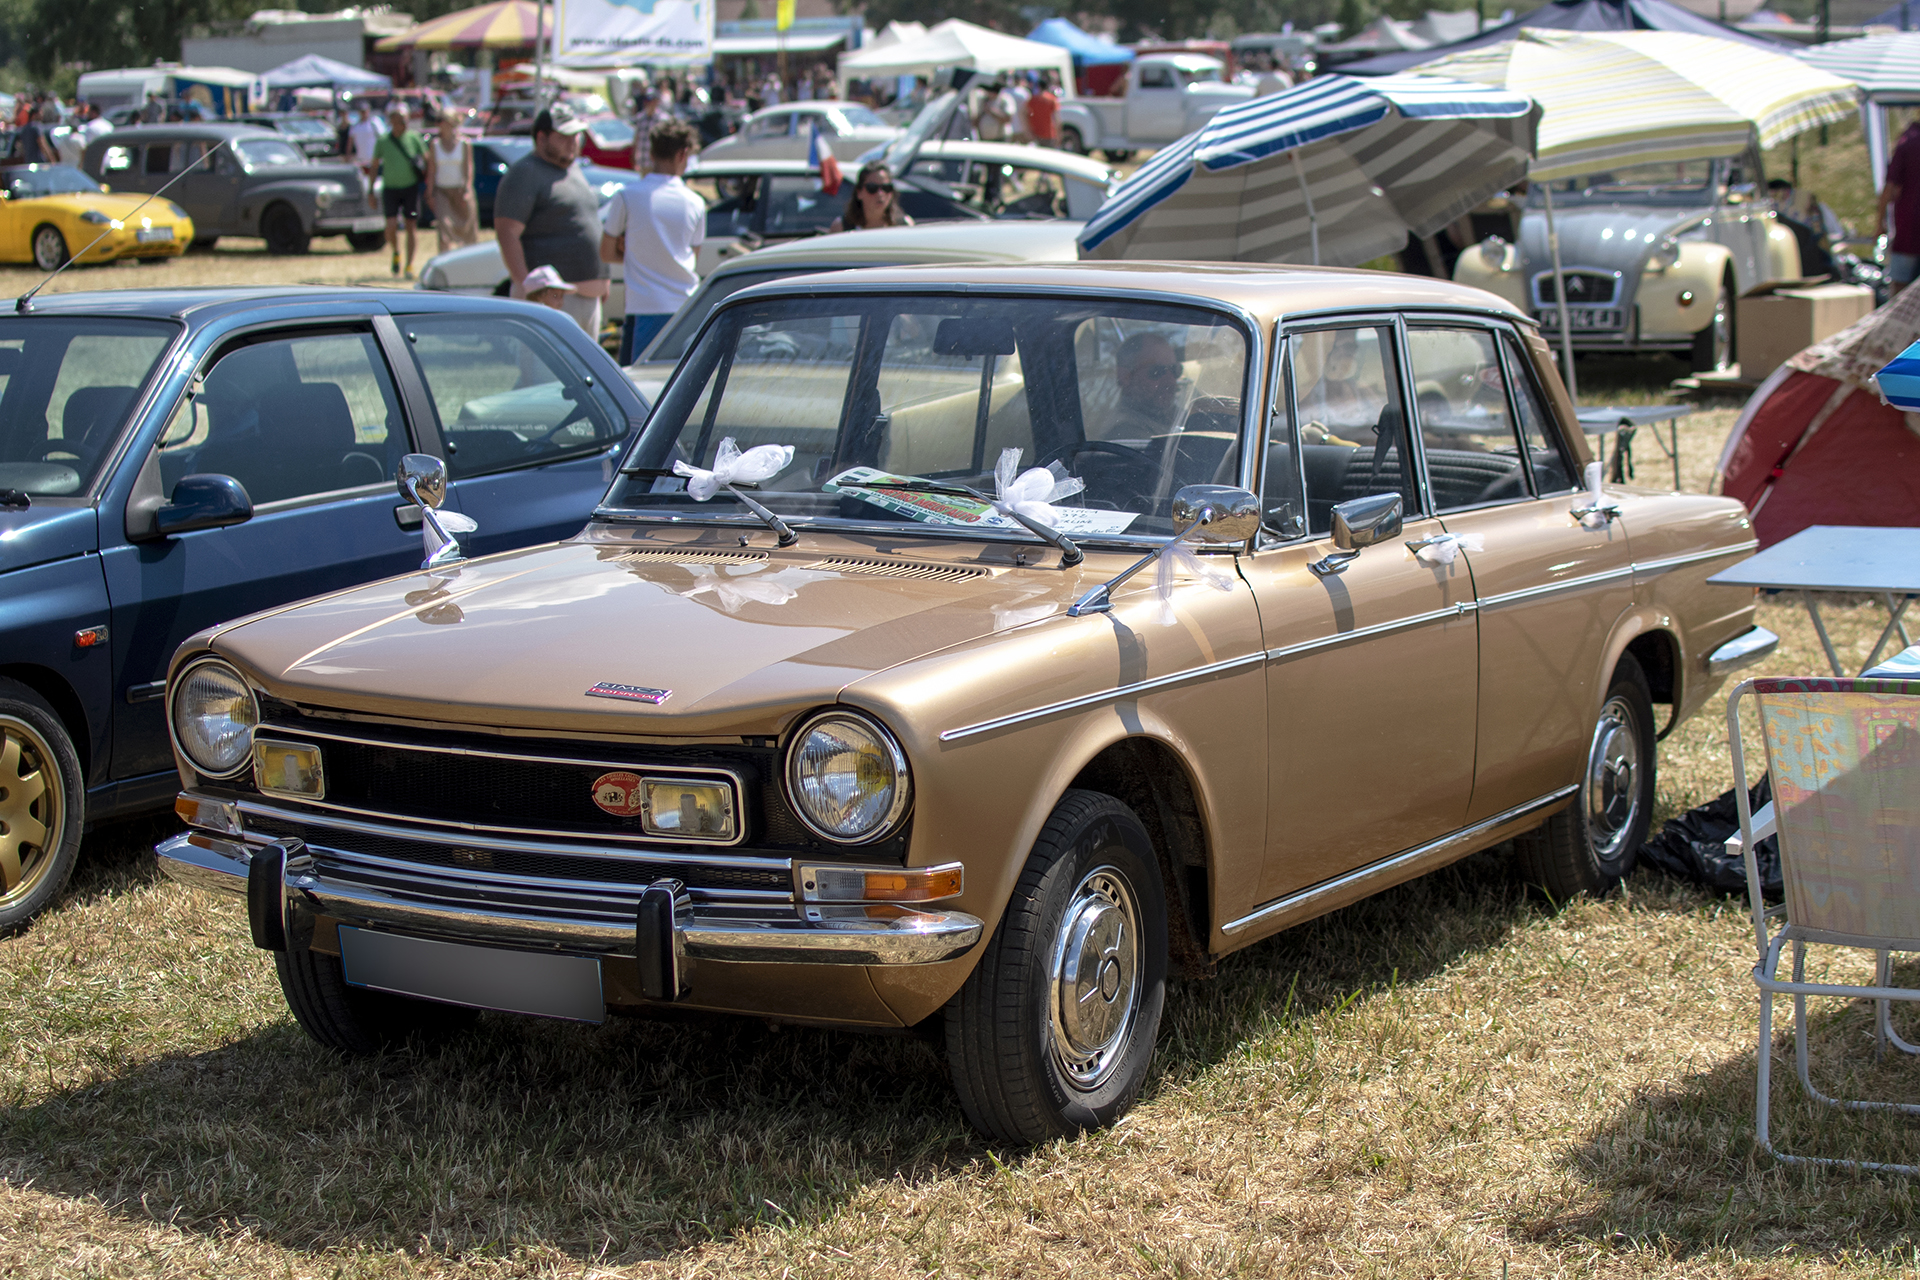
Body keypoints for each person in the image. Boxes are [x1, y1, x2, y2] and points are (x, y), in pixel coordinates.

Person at [494, 102, 609, 338]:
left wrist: (602, 281)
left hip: (585, 298)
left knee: (583, 374)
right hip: (552, 302)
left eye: (576, 135)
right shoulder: (525, 172)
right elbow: (507, 233)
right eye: (564, 136)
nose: (573, 142)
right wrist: (530, 292)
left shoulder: (572, 169)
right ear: (542, 137)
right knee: (543, 374)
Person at [602, 118, 704, 365]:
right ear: (683, 154)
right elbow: (693, 257)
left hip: (642, 308)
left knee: (638, 389)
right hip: (685, 309)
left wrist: (633, 254)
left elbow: (605, 252)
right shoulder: (696, 202)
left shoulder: (626, 197)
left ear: (653, 153)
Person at [373, 108, 428, 276]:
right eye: (400, 120)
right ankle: (396, 252)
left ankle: (409, 265)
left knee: (411, 225)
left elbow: (427, 159)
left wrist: (428, 182)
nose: (404, 124)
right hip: (390, 188)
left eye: (405, 120)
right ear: (392, 122)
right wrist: (370, 190)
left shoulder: (414, 138)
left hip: (410, 188)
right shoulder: (383, 141)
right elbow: (374, 165)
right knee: (391, 225)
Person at [1100, 332, 1185, 439]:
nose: (1171, 381)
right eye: (1156, 371)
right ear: (1125, 376)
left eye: (1175, 370)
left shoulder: (1175, 416)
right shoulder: (1124, 432)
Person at [425, 112, 477, 254]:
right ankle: (444, 259)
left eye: (442, 121)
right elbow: (432, 170)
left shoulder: (464, 144)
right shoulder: (435, 145)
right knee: (443, 227)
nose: (439, 124)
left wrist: (466, 189)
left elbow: (469, 168)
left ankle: (469, 261)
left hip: (460, 191)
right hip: (442, 191)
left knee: (467, 230)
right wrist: (429, 193)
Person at [1879, 119, 1920, 295]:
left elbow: (1889, 188)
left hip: (1909, 228)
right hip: (1909, 228)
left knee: (1899, 289)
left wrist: (1879, 223)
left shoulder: (1907, 141)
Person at [828, 161, 911, 232]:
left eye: (886, 188)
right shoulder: (842, 228)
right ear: (859, 192)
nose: (880, 194)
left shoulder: (904, 226)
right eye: (872, 188)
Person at [347, 103, 380, 186]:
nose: (363, 113)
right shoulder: (355, 126)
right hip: (361, 159)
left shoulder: (374, 124)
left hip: (373, 158)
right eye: (362, 111)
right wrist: (349, 154)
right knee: (363, 182)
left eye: (365, 111)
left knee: (375, 181)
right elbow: (350, 141)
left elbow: (380, 139)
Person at [1027, 77, 1059, 148]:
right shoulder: (1052, 99)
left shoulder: (1033, 100)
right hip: (1049, 133)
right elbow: (1057, 119)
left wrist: (1028, 130)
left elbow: (1026, 113)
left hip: (1036, 133)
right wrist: (1059, 134)